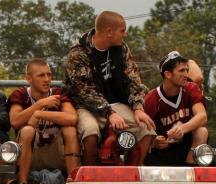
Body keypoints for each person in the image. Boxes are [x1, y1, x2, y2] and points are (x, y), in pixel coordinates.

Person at [63, 11, 156, 165]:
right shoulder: (78, 54)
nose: (124, 34)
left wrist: (138, 106)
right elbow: (84, 91)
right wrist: (110, 113)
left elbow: (133, 79)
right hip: (85, 106)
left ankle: (131, 176)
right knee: (90, 132)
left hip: (116, 103)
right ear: (108, 32)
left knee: (146, 128)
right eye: (122, 30)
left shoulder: (122, 48)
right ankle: (90, 177)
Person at [7, 58, 80, 184]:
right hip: (31, 153)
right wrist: (40, 104)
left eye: (49, 74)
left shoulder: (58, 93)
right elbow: (15, 121)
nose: (47, 79)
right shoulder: (21, 94)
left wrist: (39, 114)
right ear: (29, 79)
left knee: (70, 130)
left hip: (56, 152)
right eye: (41, 75)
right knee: (27, 130)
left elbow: (72, 118)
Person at [143, 51, 209, 165]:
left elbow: (202, 116)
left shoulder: (190, 88)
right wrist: (154, 142)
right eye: (181, 71)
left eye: (187, 70)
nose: (186, 75)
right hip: (161, 153)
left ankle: (190, 170)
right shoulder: (151, 99)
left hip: (185, 148)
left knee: (202, 132)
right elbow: (142, 132)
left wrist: (182, 129)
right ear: (168, 74)